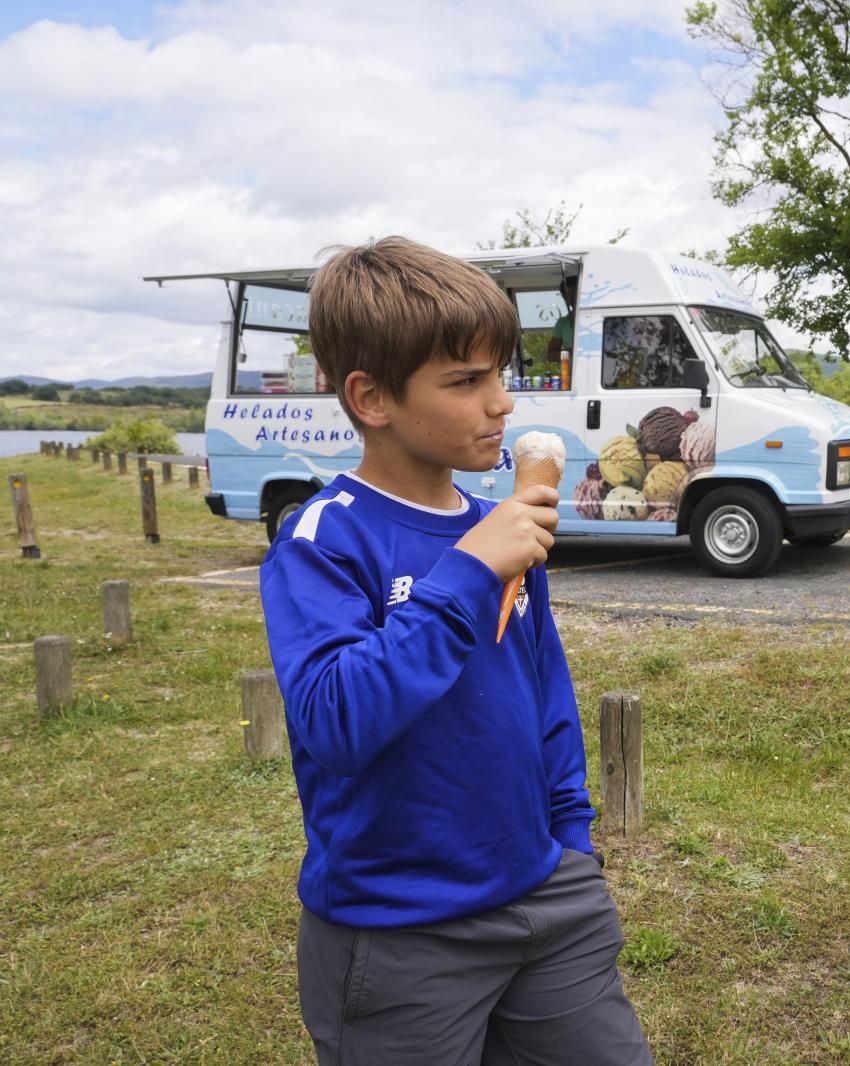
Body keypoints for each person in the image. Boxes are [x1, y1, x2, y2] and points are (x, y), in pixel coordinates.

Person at [260, 236, 653, 1065]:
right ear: (371, 398)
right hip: (398, 931)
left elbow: (543, 692)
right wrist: (470, 569)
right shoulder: (323, 541)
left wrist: (572, 848)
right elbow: (335, 721)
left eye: (502, 375)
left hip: (548, 900)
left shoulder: (504, 523)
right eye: (467, 382)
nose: (502, 404)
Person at [546, 273, 578, 364]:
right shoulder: (562, 322)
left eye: (575, 293)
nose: (572, 298)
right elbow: (550, 355)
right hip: (572, 375)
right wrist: (570, 354)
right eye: (568, 295)